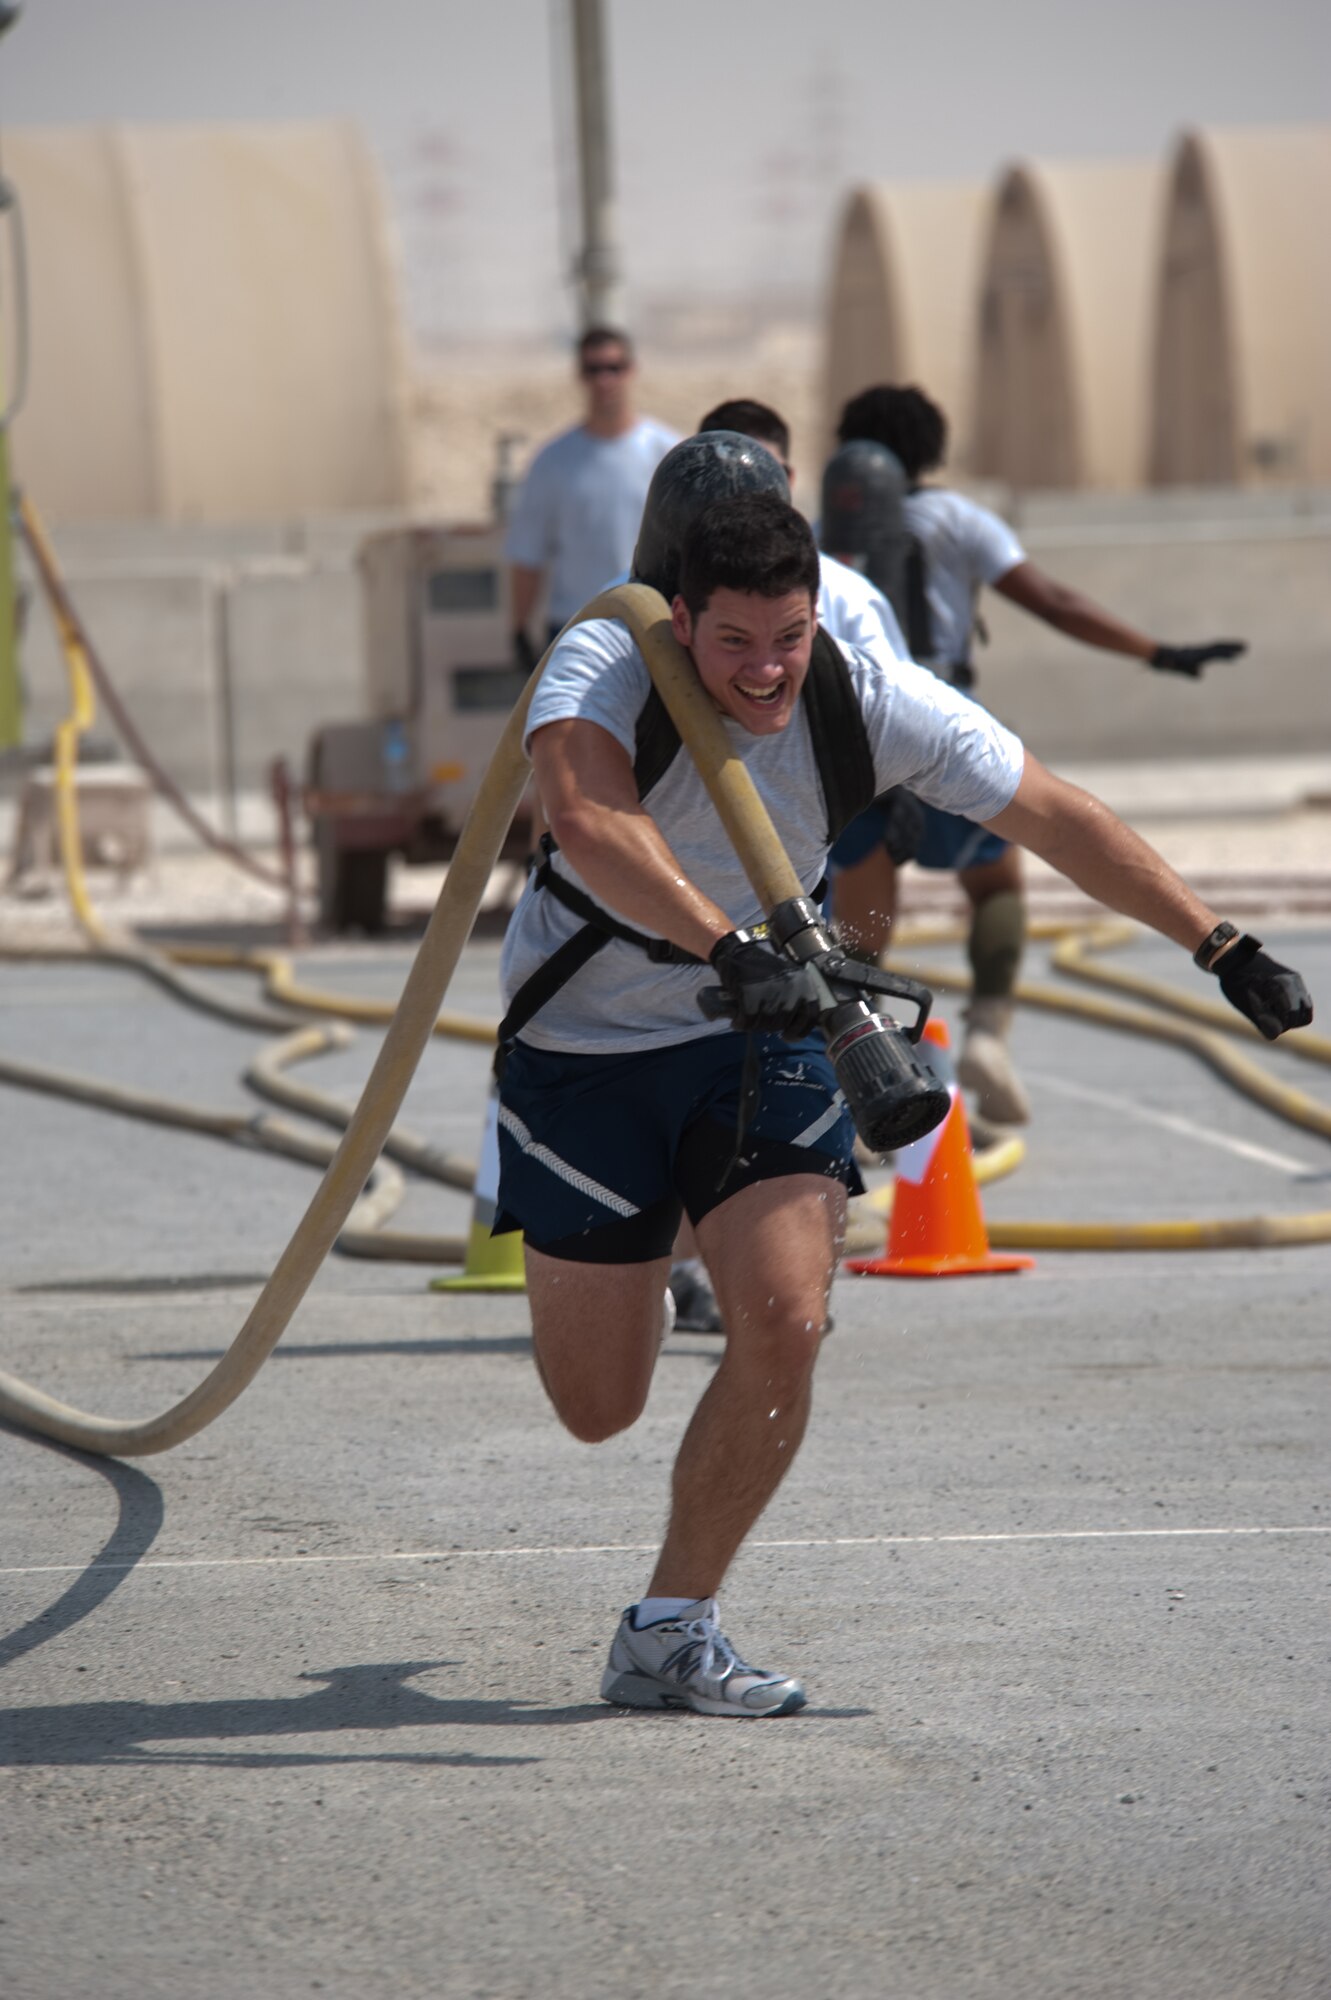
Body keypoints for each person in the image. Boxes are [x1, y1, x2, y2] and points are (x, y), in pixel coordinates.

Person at [491, 478, 1311, 1717]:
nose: (765, 670)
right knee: (597, 1408)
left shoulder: (860, 690)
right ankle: (656, 1235)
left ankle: (670, 1625)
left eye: (788, 635)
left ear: (817, 615)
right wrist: (728, 946)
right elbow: (583, 817)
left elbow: (1053, 813)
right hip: (587, 1043)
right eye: (733, 643)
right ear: (680, 617)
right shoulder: (605, 656)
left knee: (784, 1314)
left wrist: (1217, 944)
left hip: (752, 1038)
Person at [829, 383, 1248, 1127]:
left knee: (861, 929)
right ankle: (987, 1032)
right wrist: (1155, 652)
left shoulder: (822, 538)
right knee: (995, 889)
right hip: (944, 724)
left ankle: (861, 1073)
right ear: (929, 447)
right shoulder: (957, 520)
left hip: (856, 741)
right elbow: (1054, 602)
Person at [504, 326, 678, 661]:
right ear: (580, 375)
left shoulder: (666, 453)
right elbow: (528, 551)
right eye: (593, 369)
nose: (604, 380)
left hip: (656, 628)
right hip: (578, 629)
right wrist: (519, 627)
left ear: (631, 370)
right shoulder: (553, 461)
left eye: (614, 368)